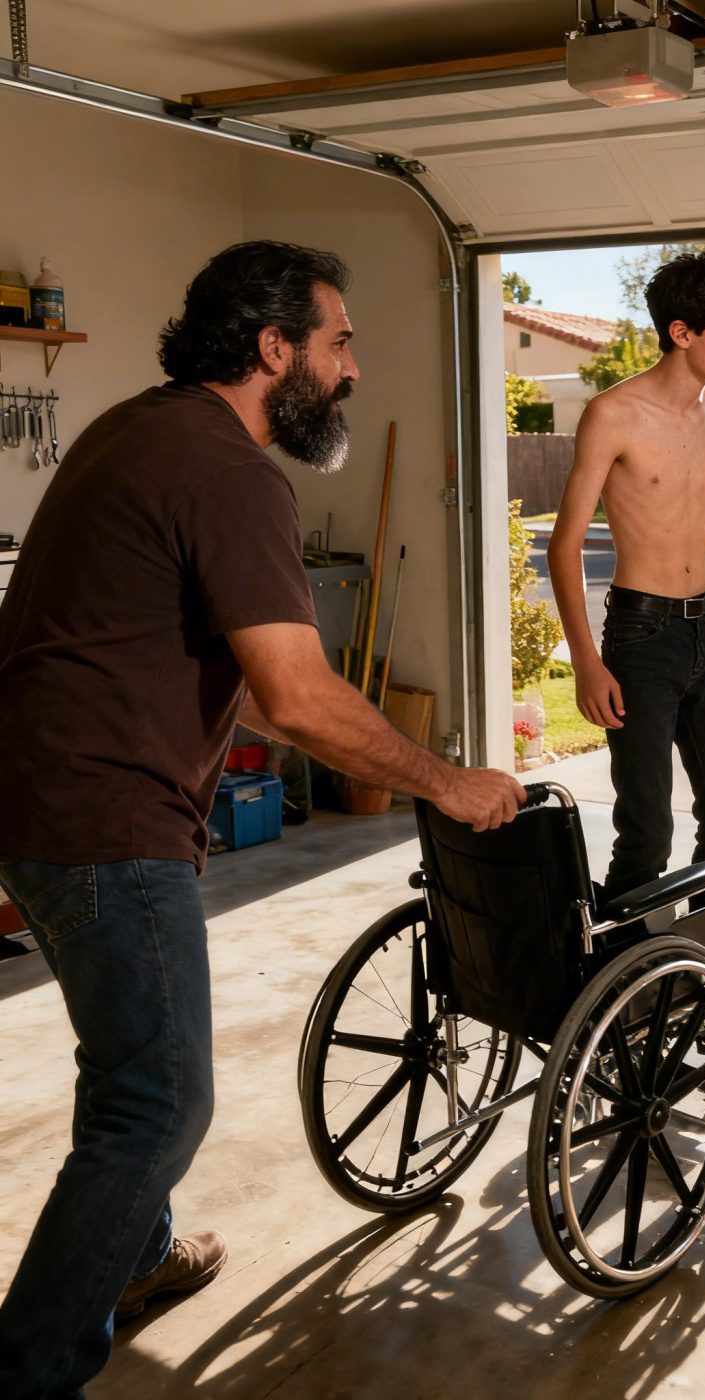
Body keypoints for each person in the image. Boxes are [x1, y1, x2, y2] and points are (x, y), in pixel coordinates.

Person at [0, 240, 524, 1400]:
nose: (350, 369)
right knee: (163, 1098)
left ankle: (133, 1257)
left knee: (126, 1061)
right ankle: (29, 1368)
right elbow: (295, 693)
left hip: (37, 803)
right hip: (105, 818)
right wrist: (447, 778)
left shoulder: (140, 426)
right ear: (272, 347)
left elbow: (243, 680)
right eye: (336, 342)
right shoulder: (234, 472)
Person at [547, 251, 705, 904]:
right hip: (640, 636)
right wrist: (585, 661)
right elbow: (565, 544)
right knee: (647, 833)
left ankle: (703, 962)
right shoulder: (614, 414)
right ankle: (627, 979)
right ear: (683, 332)